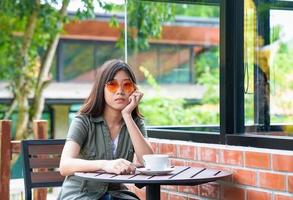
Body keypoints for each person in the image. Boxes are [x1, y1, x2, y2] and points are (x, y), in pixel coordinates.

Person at [58, 59, 154, 200]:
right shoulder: (83, 121)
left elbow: (149, 161)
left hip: (117, 194)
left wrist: (127, 115)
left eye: (126, 85)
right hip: (81, 193)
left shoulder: (135, 123)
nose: (120, 91)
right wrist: (105, 165)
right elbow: (65, 165)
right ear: (101, 88)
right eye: (112, 85)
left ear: (134, 91)